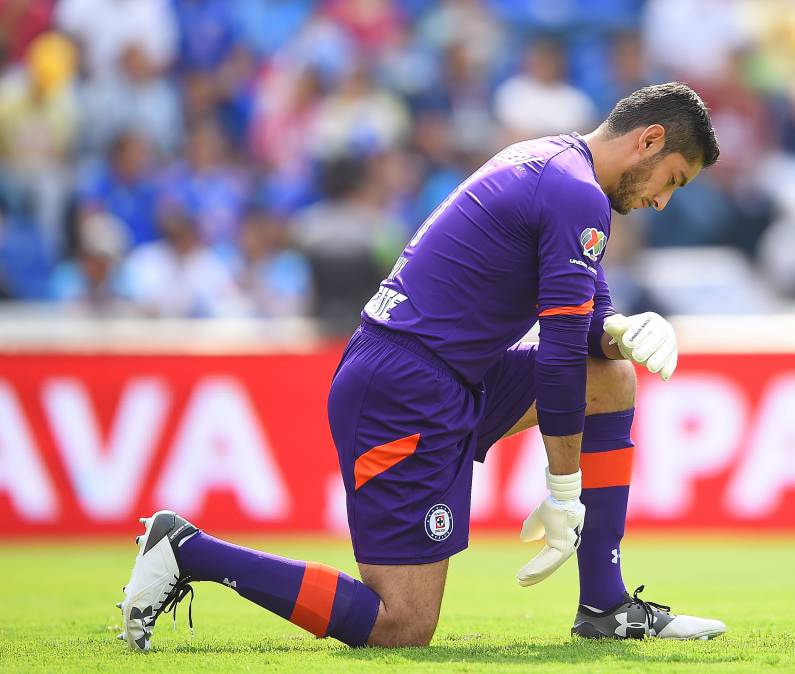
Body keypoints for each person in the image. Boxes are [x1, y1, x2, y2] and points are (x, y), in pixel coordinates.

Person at [117, 82, 726, 650]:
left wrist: (625, 331)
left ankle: (605, 607)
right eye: (672, 178)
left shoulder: (559, 168)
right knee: (402, 623)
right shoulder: (574, 192)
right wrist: (564, 491)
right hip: (404, 389)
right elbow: (562, 350)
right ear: (648, 139)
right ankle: (188, 549)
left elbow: (589, 333)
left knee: (611, 378)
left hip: (448, 373)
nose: (663, 201)